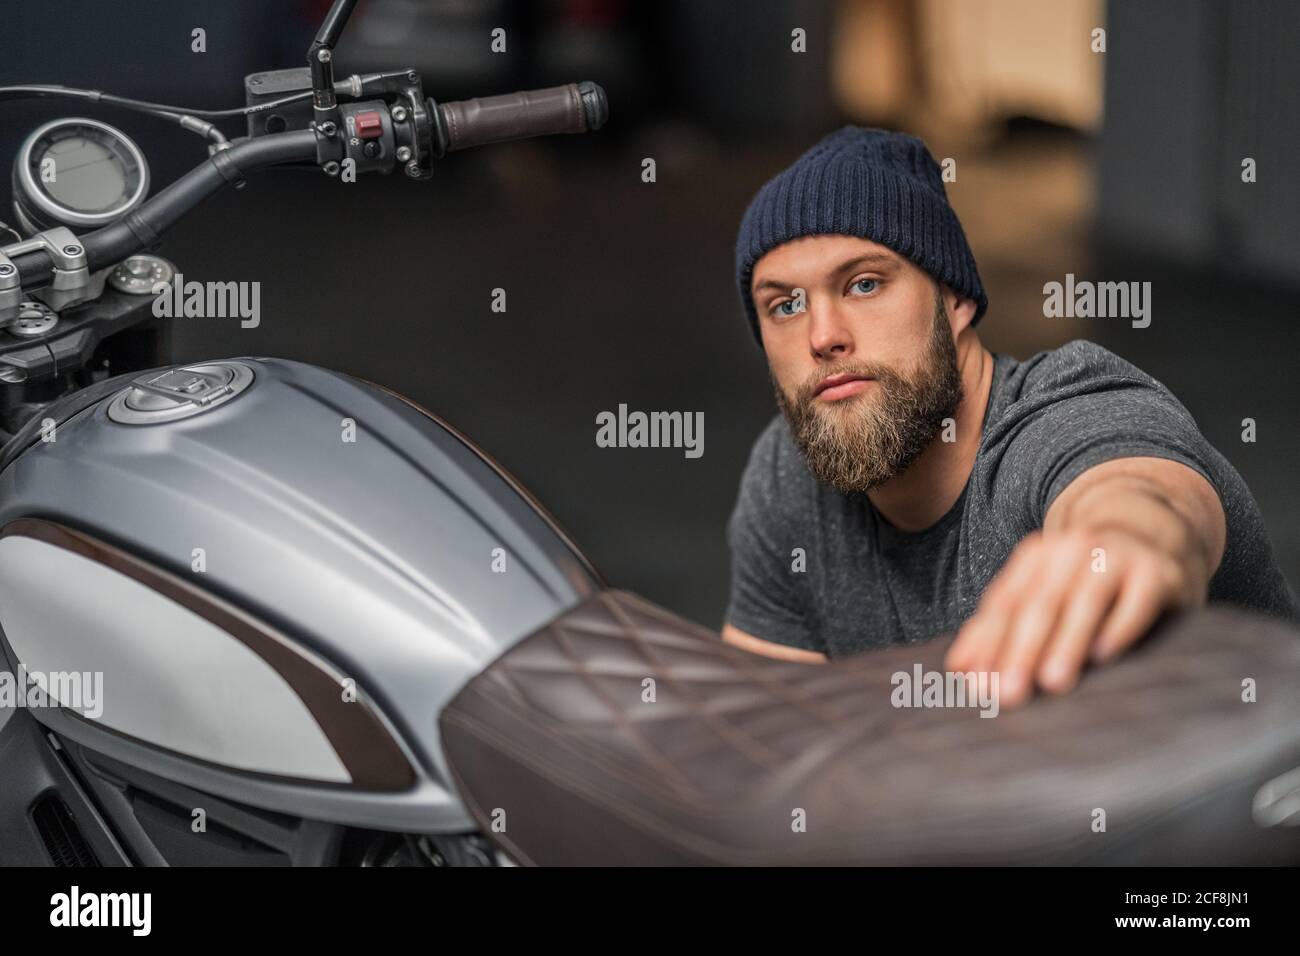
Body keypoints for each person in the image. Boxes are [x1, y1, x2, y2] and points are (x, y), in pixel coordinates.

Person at [723, 127, 1298, 708]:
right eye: (786, 305)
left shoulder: (1063, 411)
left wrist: (1122, 541)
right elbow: (769, 738)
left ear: (955, 301)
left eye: (865, 283)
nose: (822, 336)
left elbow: (1140, 489)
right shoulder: (788, 474)